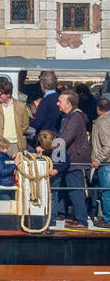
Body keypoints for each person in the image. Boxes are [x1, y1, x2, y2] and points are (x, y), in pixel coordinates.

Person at [54, 89, 92, 229]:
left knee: (75, 189)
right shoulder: (70, 117)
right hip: (69, 157)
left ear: (69, 103)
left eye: (60, 101)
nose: (57, 103)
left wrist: (48, 146)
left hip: (74, 158)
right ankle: (69, 215)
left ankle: (82, 220)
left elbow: (66, 138)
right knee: (68, 188)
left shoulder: (75, 118)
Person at [91, 97, 110, 228]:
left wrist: (97, 160)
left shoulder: (102, 122)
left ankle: (108, 219)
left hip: (106, 163)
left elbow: (107, 145)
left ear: (99, 108)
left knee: (106, 193)